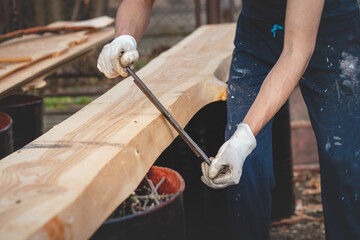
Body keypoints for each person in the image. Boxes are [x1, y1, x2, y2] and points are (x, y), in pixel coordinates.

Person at [97, 0, 360, 239]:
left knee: (344, 161)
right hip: (258, 33)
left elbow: (296, 52)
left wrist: (244, 138)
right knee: (246, 168)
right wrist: (125, 37)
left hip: (332, 32)